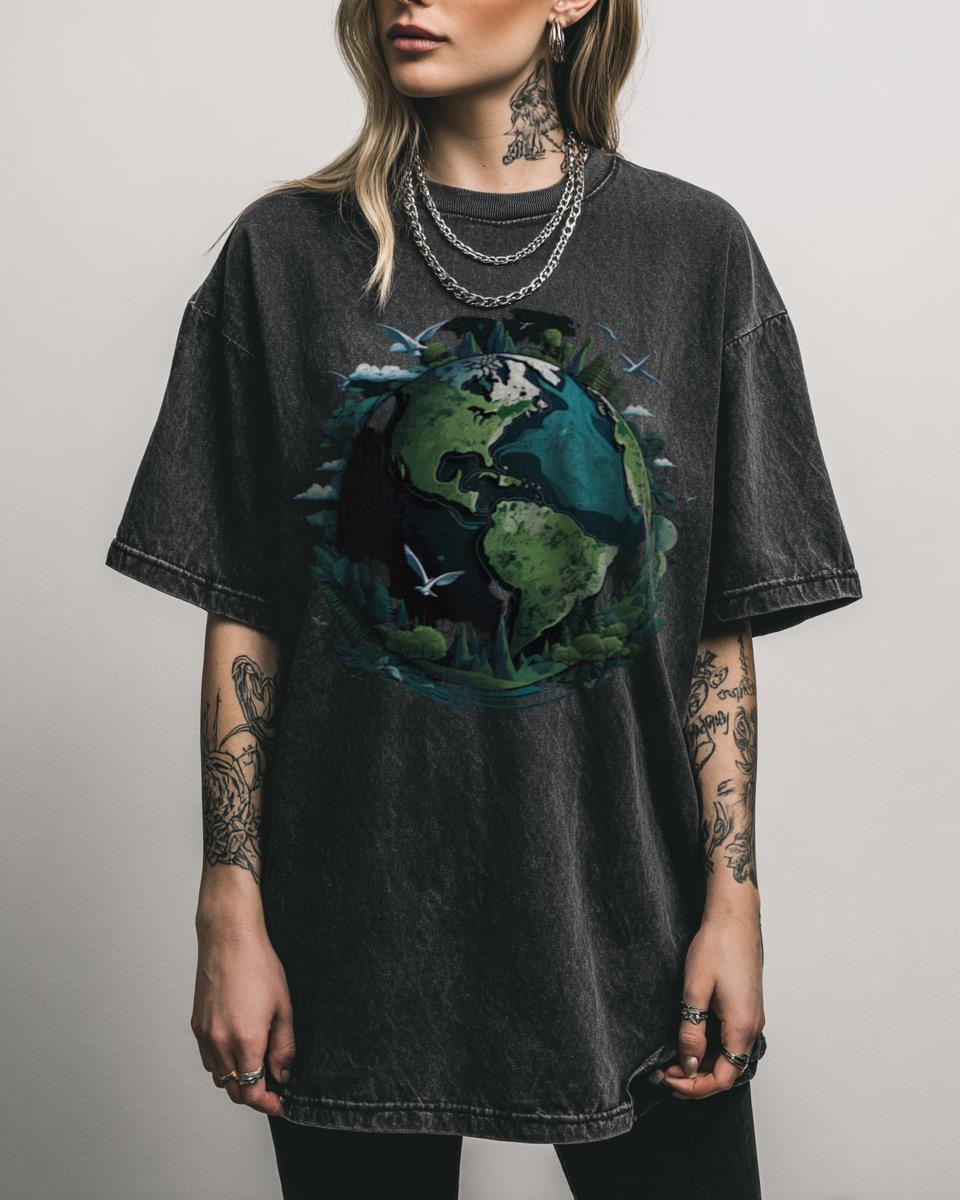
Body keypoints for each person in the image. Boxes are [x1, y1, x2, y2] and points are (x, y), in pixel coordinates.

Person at [104, 0, 864, 1195]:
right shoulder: (284, 254)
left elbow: (717, 634)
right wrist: (229, 906)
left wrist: (734, 904)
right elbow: (244, 610)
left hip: (630, 922)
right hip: (351, 931)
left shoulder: (695, 251)